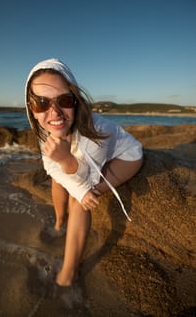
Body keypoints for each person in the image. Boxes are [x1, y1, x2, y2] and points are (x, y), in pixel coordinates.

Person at [25, 58, 143, 287]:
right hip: (81, 161)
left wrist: (66, 159)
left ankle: (68, 275)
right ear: (32, 108)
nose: (55, 113)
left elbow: (85, 185)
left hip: (126, 157)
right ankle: (59, 223)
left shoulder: (95, 132)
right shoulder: (45, 127)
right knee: (59, 179)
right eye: (42, 103)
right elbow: (52, 167)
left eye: (64, 100)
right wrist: (62, 162)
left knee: (79, 201)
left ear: (76, 101)